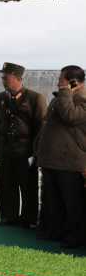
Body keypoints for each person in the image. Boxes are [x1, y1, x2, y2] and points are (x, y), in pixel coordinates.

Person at [0, 62, 47, 228]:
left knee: (27, 186)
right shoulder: (0, 97)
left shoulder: (35, 97)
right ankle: (8, 217)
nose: (3, 81)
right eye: (3, 78)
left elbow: (40, 127)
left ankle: (28, 218)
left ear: (18, 79)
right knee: (7, 185)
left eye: (6, 78)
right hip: (6, 148)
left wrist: (36, 150)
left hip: (26, 150)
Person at [34, 65, 86, 248]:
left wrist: (66, 92)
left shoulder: (82, 98)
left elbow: (70, 117)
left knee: (72, 203)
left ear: (73, 81)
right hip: (52, 158)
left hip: (70, 160)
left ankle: (75, 236)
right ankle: (55, 230)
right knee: (54, 200)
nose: (58, 83)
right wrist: (37, 147)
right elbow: (46, 124)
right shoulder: (63, 97)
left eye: (61, 80)